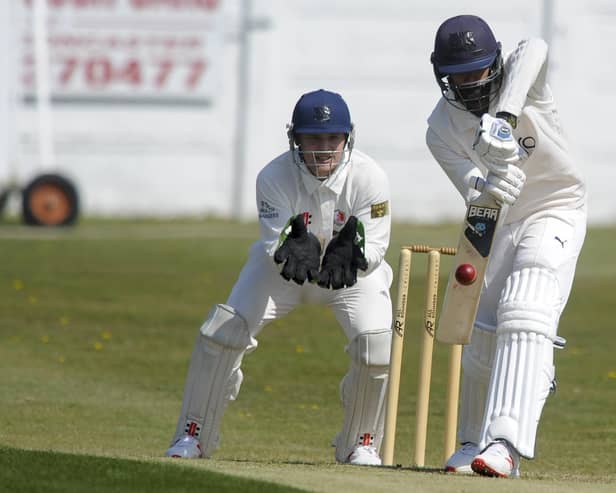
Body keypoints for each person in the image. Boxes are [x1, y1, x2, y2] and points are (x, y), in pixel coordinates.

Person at [165, 89, 393, 466]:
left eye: (332, 139)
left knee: (377, 346)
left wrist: (356, 257)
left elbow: (376, 251)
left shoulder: (370, 178)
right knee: (222, 332)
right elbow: (277, 247)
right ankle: (193, 435)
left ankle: (361, 442)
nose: (323, 150)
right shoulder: (273, 176)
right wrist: (289, 247)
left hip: (349, 279)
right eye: (313, 139)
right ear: (295, 138)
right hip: (282, 277)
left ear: (347, 138)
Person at [426, 15, 587, 478]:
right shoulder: (440, 130)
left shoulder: (524, 84)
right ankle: (472, 441)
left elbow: (534, 46)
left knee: (528, 304)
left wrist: (505, 119)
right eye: (458, 77)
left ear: (495, 62)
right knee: (484, 331)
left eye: (478, 72)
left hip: (557, 206)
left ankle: (505, 444)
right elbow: (474, 192)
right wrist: (492, 180)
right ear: (442, 78)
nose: (470, 84)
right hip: (500, 222)